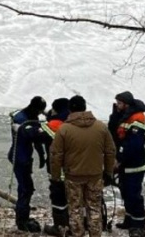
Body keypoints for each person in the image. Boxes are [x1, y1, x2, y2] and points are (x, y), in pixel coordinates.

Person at [50, 95, 116, 237]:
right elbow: (110, 151)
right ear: (85, 107)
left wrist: (55, 177)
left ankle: (78, 234)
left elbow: (56, 155)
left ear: (70, 109)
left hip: (73, 176)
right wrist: (109, 172)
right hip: (95, 175)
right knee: (94, 208)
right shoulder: (101, 127)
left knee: (75, 209)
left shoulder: (64, 129)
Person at [108, 91, 145, 237]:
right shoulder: (123, 116)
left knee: (133, 194)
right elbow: (113, 133)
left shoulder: (137, 119)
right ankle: (129, 219)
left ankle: (139, 225)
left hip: (135, 163)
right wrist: (114, 116)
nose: (117, 105)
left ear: (126, 104)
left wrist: (119, 159)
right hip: (125, 162)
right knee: (125, 192)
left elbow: (133, 145)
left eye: (119, 103)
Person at [7, 96, 47, 232]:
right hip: (20, 158)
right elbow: (34, 135)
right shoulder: (22, 120)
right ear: (36, 108)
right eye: (41, 111)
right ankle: (22, 221)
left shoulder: (29, 115)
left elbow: (35, 138)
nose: (41, 113)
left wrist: (41, 156)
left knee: (25, 188)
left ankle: (22, 217)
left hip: (23, 157)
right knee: (26, 189)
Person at [40, 97, 70, 236]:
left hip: (58, 171)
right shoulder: (75, 123)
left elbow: (36, 134)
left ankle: (59, 227)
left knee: (58, 199)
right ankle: (75, 226)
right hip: (77, 170)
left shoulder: (53, 125)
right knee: (76, 200)